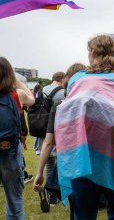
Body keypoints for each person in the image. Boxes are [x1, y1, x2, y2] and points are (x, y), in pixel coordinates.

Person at [54, 35, 114, 219]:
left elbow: (70, 114)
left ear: (94, 53)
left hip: (82, 158)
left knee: (84, 215)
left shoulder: (77, 80)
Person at [33, 63, 86, 216]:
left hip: (68, 164)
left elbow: (48, 142)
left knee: (76, 207)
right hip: (89, 163)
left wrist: (40, 172)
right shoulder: (93, 103)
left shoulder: (59, 106)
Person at [0, 57, 35, 220]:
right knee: (15, 203)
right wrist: (14, 76)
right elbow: (32, 98)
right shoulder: (17, 95)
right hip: (9, 151)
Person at [33, 71, 65, 205]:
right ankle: (54, 195)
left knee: (49, 163)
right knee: (59, 163)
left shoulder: (40, 90)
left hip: (41, 131)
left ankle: (50, 195)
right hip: (55, 133)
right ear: (62, 80)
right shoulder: (61, 93)